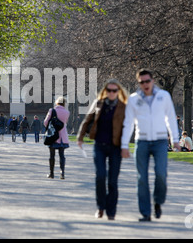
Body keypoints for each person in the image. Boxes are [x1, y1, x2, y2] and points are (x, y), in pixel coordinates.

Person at [121, 69, 181, 222]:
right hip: (142, 141)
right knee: (142, 178)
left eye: (147, 81)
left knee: (161, 174)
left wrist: (175, 139)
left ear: (153, 81)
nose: (145, 84)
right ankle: (145, 212)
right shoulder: (133, 99)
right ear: (139, 83)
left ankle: (158, 202)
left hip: (160, 141)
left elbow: (171, 119)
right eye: (142, 82)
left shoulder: (164, 96)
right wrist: (124, 145)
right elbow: (128, 123)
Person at [77, 79, 127, 220]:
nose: (111, 93)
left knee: (112, 181)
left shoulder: (124, 106)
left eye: (114, 91)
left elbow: (128, 126)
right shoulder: (98, 103)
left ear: (118, 92)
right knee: (100, 176)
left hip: (115, 147)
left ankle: (111, 211)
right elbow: (87, 120)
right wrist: (80, 137)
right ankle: (100, 208)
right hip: (99, 145)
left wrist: (125, 146)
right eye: (109, 90)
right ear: (105, 91)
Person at [44, 96, 70, 180]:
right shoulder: (67, 112)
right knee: (62, 155)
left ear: (57, 102)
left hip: (53, 136)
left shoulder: (52, 111)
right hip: (62, 137)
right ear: (64, 103)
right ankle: (62, 173)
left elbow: (45, 122)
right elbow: (65, 123)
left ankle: (51, 173)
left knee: (52, 155)